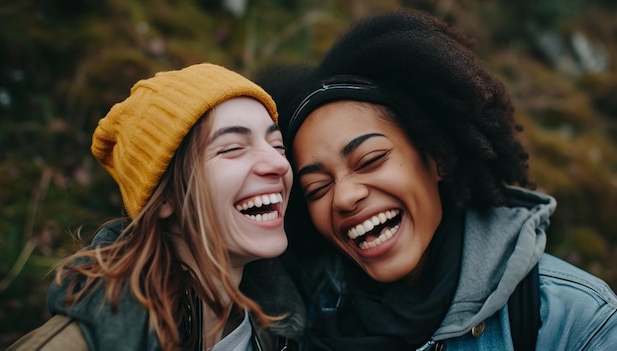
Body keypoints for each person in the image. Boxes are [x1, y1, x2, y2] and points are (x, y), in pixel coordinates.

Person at [256, 9, 617, 351]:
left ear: (436, 158)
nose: (345, 197)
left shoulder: (575, 319)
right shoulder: (291, 319)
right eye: (317, 188)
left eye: (370, 160)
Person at [7, 63, 304, 351]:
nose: (279, 163)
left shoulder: (285, 326)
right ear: (163, 198)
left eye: (277, 146)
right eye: (233, 148)